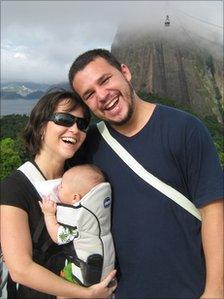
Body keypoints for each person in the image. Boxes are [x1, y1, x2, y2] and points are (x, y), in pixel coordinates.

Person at [68, 49, 224, 299]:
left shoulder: (186, 129)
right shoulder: (90, 147)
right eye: (89, 94)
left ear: (125, 72)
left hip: (191, 290)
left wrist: (215, 291)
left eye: (105, 80)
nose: (102, 95)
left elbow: (214, 212)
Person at [0, 89, 117, 299]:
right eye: (64, 119)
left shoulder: (83, 178)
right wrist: (86, 294)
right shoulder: (15, 187)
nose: (75, 129)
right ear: (40, 125)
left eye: (82, 124)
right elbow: (20, 269)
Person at [38, 164, 115, 287]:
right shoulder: (97, 210)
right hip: (104, 269)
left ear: (75, 197)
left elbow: (58, 237)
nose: (57, 188)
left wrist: (49, 215)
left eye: (61, 186)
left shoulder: (78, 219)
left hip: (86, 276)